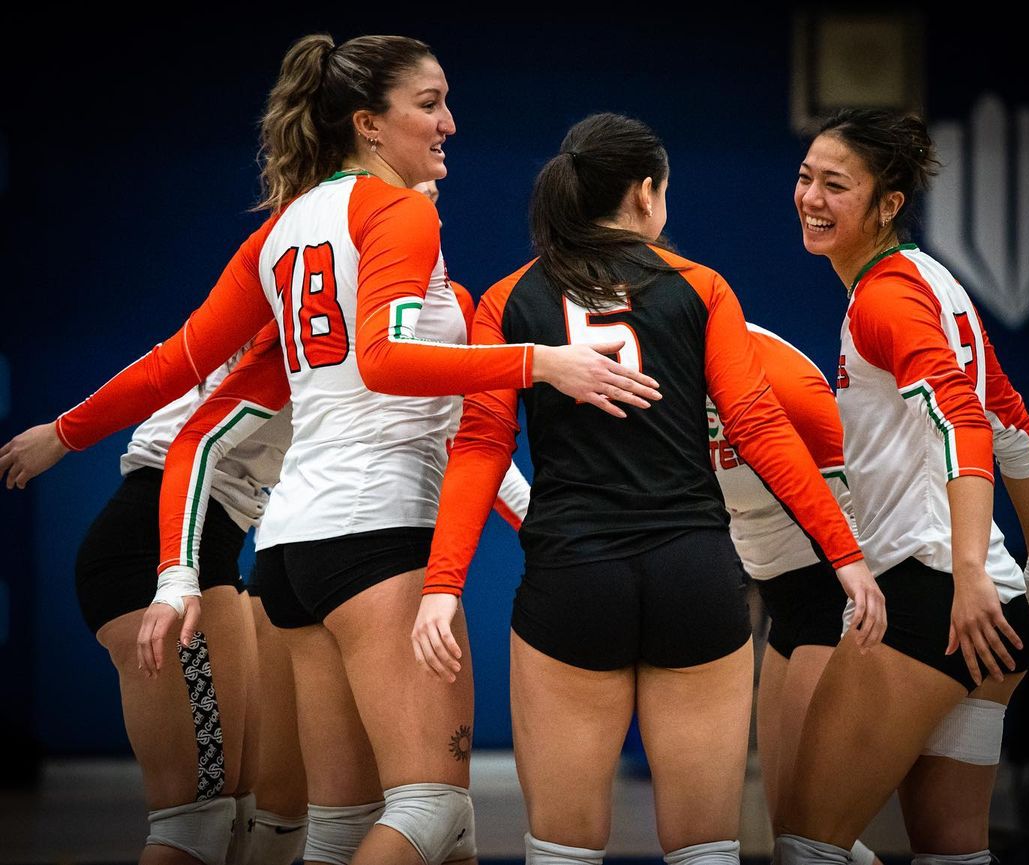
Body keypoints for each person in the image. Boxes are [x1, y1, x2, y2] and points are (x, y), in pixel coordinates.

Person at [0, 34, 598, 865]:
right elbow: (376, 370)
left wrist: (64, 433)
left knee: (317, 824)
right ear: (368, 124)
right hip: (369, 533)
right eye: (429, 104)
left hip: (285, 548)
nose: (451, 123)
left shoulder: (286, 232)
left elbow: (181, 359)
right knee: (427, 808)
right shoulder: (399, 217)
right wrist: (545, 361)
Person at [411, 112, 884, 865]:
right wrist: (848, 556)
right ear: (644, 193)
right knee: (705, 850)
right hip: (693, 574)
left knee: (562, 851)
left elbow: (479, 448)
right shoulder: (700, 287)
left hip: (573, 577)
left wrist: (444, 584)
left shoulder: (507, 299)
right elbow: (759, 428)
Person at [772, 108, 1029, 865]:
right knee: (952, 849)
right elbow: (1017, 429)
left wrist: (968, 574)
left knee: (806, 846)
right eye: (807, 176)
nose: (811, 196)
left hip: (932, 598)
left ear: (888, 204)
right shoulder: (937, 283)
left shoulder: (886, 299)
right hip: (994, 607)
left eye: (836, 184)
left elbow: (969, 426)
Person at [40, 336, 292, 865]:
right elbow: (166, 368)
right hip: (150, 550)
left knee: (238, 814)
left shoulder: (339, 311)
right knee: (195, 823)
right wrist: (64, 434)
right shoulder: (293, 302)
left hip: (215, 547)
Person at [707, 324, 881, 865]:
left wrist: (860, 612)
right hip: (785, 607)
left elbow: (860, 505)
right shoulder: (649, 370)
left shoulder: (774, 375)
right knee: (789, 829)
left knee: (808, 838)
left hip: (830, 599)